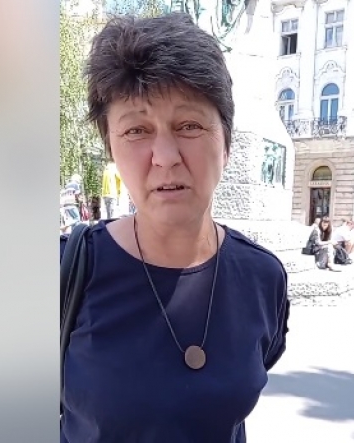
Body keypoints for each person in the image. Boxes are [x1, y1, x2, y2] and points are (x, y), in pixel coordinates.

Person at [60, 13, 289, 443]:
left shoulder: (263, 277)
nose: (165, 156)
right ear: (111, 148)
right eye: (136, 130)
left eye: (189, 126)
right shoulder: (66, 271)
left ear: (226, 142)